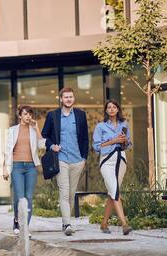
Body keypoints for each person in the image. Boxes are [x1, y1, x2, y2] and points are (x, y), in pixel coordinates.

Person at [41, 88, 89, 236]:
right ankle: (67, 224)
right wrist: (51, 145)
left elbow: (85, 138)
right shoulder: (53, 116)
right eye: (66, 97)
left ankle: (64, 221)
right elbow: (44, 135)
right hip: (60, 159)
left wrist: (84, 158)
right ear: (61, 99)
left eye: (71, 97)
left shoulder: (81, 115)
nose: (68, 99)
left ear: (73, 99)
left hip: (77, 160)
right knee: (64, 192)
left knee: (71, 193)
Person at [3, 105, 45, 238]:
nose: (28, 116)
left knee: (29, 197)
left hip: (31, 167)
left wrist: (37, 128)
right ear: (20, 116)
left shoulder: (33, 130)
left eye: (30, 114)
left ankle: (25, 227)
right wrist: (4, 168)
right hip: (17, 167)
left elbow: (42, 146)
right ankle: (16, 220)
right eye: (25, 114)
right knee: (19, 197)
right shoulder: (12, 130)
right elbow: (8, 150)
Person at [93, 99, 132, 235]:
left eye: (114, 107)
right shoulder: (100, 126)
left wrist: (125, 141)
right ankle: (124, 224)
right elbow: (96, 147)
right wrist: (114, 140)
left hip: (121, 160)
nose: (111, 109)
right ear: (106, 110)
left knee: (112, 191)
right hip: (107, 161)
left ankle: (104, 223)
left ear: (117, 109)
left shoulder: (124, 124)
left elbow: (129, 144)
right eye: (109, 107)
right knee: (114, 190)